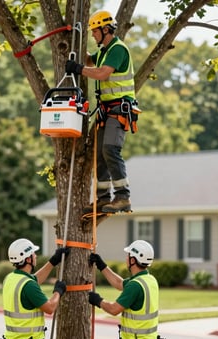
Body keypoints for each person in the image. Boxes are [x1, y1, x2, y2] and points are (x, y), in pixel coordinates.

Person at [65, 10, 137, 214]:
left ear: (106, 29)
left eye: (95, 31)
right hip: (107, 110)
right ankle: (104, 199)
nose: (93, 35)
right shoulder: (105, 51)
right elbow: (90, 61)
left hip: (119, 108)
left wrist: (77, 69)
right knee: (100, 156)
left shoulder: (117, 49)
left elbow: (103, 74)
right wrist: (74, 45)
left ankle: (123, 197)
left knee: (110, 150)